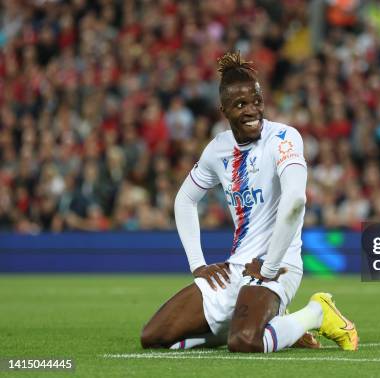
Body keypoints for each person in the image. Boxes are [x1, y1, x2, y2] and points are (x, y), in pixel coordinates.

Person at [140, 51, 358, 352]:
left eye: (256, 101)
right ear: (224, 109)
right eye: (240, 104)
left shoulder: (284, 138)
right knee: (153, 337)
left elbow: (295, 200)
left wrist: (269, 269)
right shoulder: (217, 150)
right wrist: (198, 265)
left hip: (278, 267)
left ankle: (315, 312)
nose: (251, 110)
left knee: (245, 342)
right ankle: (279, 329)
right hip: (235, 268)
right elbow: (184, 200)